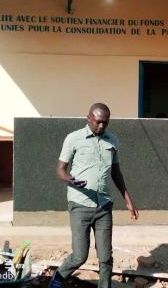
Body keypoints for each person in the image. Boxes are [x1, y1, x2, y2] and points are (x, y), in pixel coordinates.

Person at [49, 103, 139, 288]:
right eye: (98, 122)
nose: (101, 126)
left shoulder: (112, 141)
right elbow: (60, 170)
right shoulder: (73, 138)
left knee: (106, 257)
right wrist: (70, 180)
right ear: (88, 118)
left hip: (104, 206)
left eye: (105, 123)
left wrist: (128, 201)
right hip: (80, 205)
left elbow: (116, 173)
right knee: (79, 256)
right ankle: (56, 280)